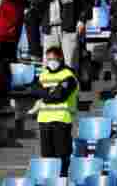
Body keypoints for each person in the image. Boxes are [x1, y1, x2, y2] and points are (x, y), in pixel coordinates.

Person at [36, 46, 79, 178]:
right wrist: (51, 92)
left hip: (61, 120)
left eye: (53, 59)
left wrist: (47, 93)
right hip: (44, 120)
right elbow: (36, 91)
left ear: (60, 58)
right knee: (47, 157)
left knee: (62, 156)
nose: (51, 62)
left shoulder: (68, 75)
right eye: (48, 59)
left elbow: (60, 95)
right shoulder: (43, 74)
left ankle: (62, 180)